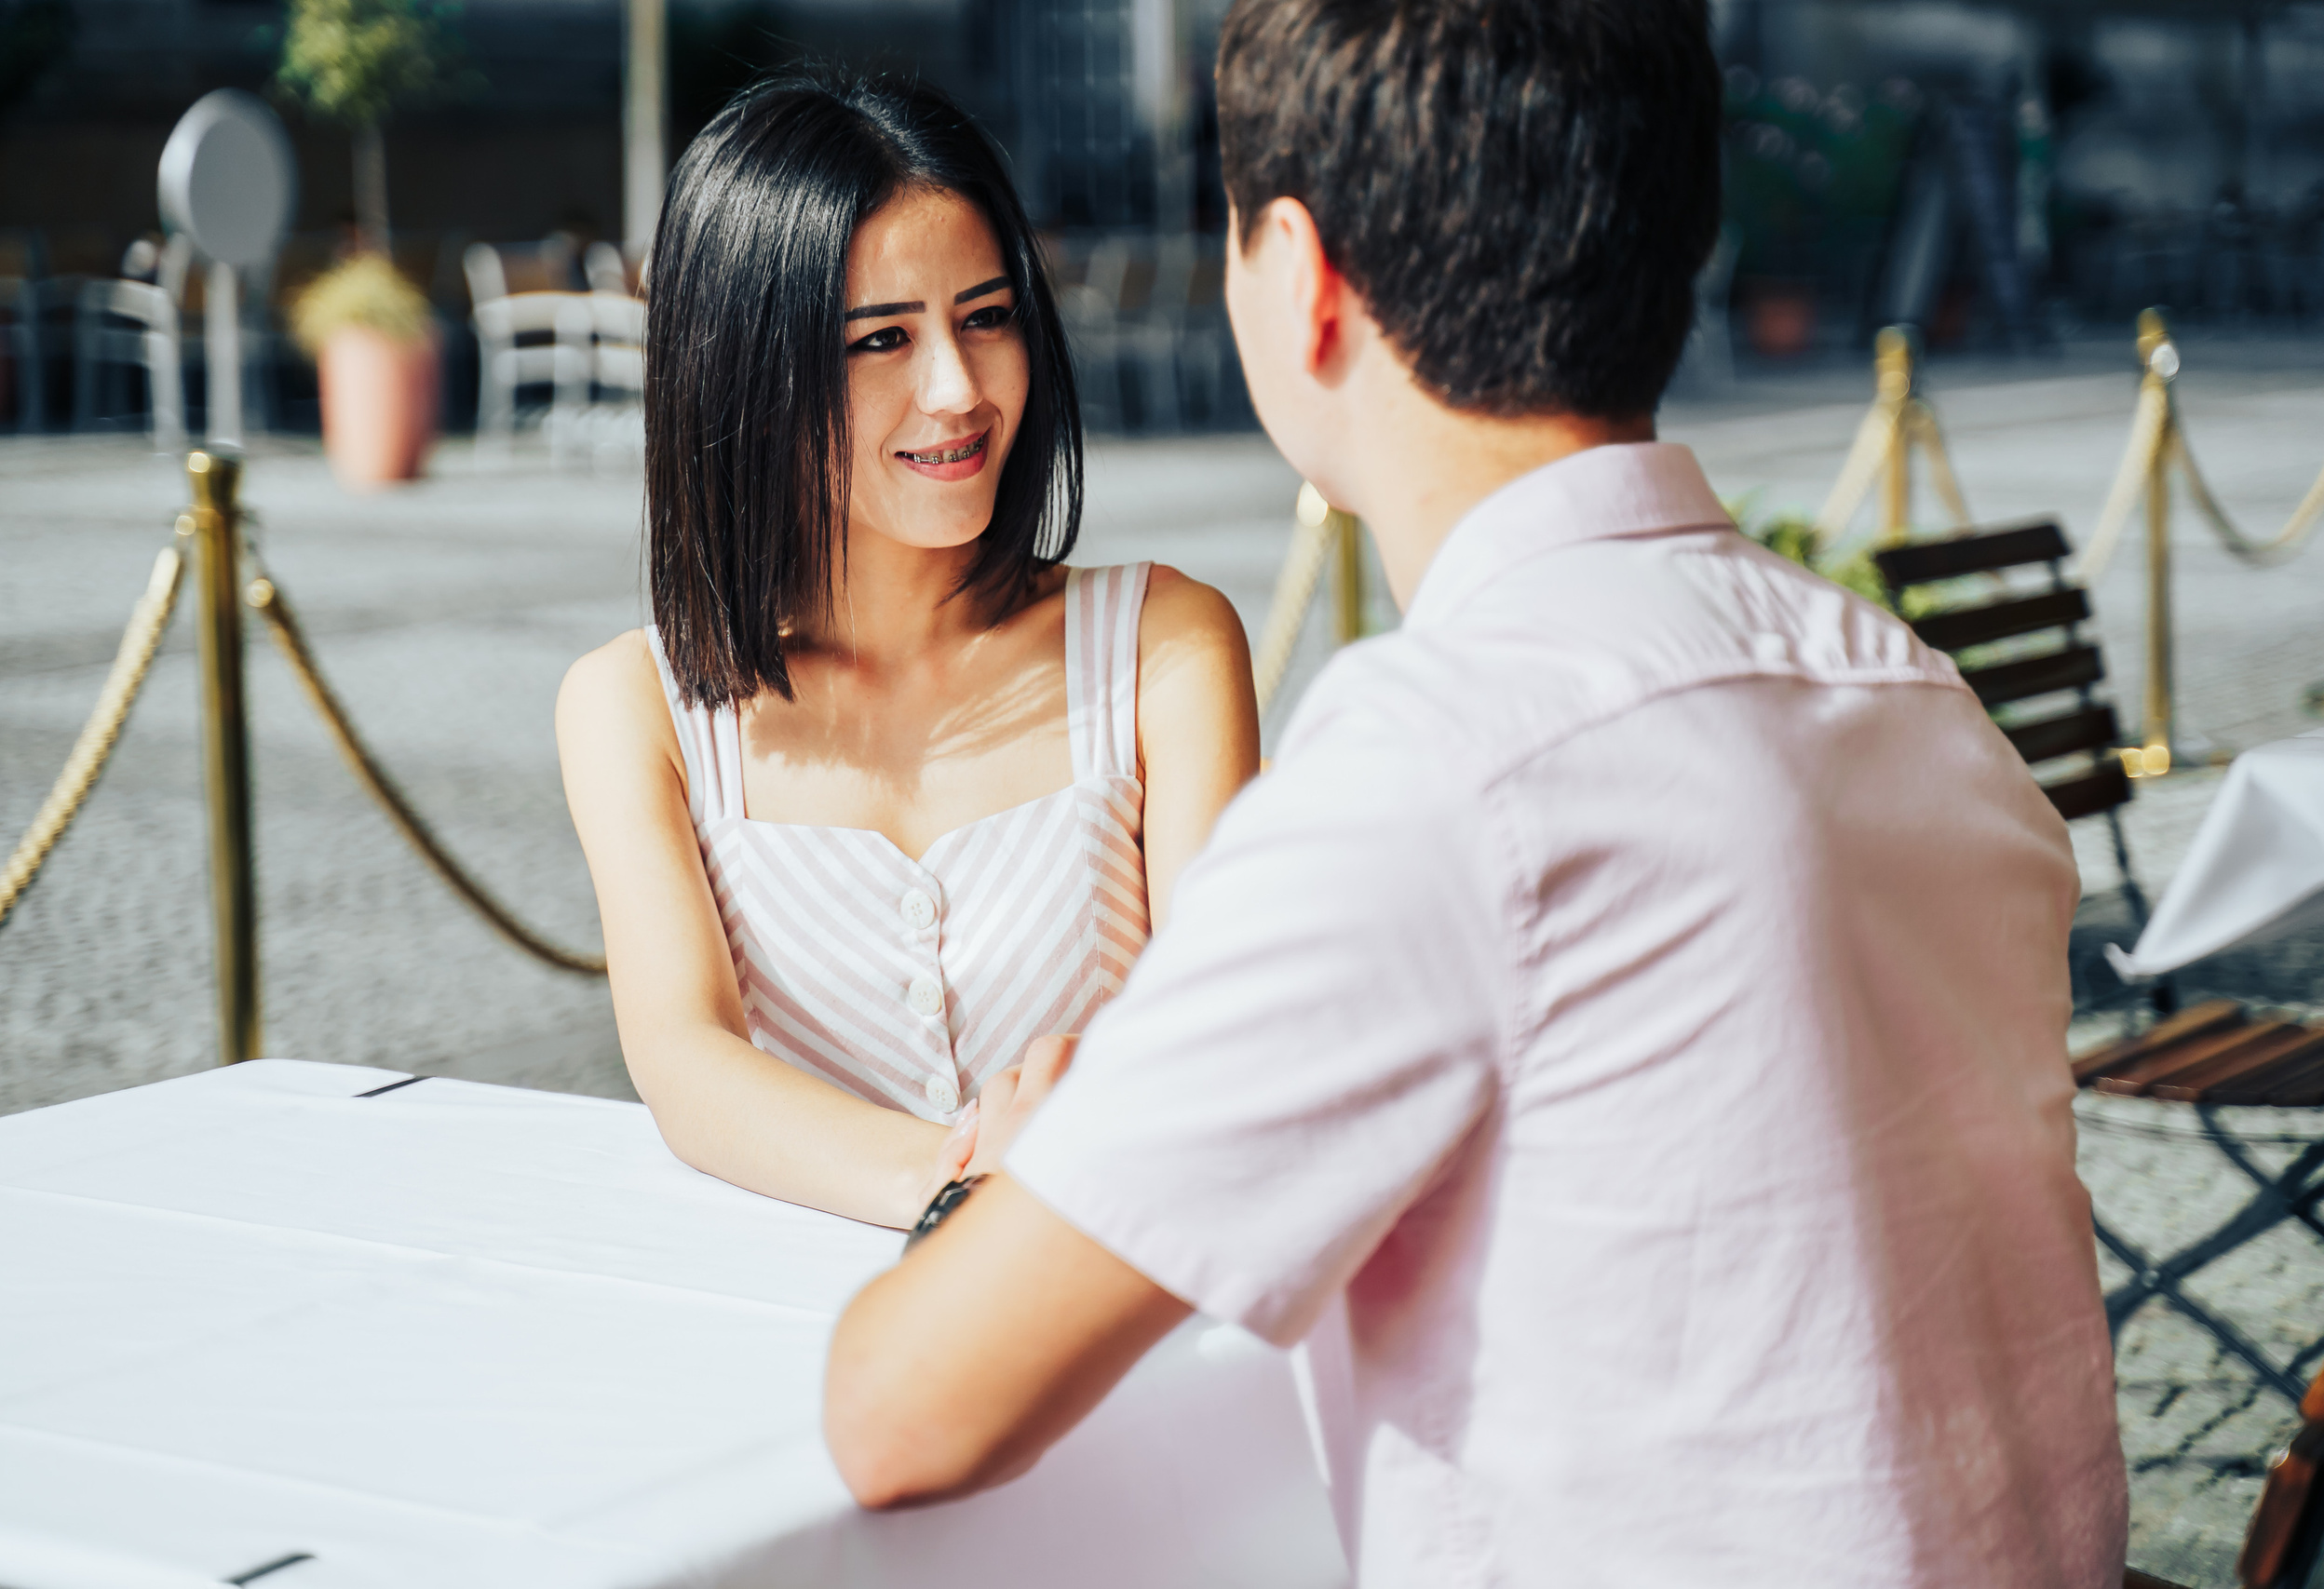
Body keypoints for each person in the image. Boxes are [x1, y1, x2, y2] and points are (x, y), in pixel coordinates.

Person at [823, 2, 2129, 1583]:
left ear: (1298, 277)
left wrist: (1005, 1167)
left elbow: (903, 1410)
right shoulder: (1918, 706)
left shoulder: (1438, 773)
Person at [555, 75, 1258, 1231]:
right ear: (746, 370)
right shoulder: (635, 707)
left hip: (1111, 1290)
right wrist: (961, 1184)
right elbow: (685, 1061)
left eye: (986, 317)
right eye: (881, 338)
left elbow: (1221, 1035)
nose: (959, 389)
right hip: (778, 1311)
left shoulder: (1162, 647)